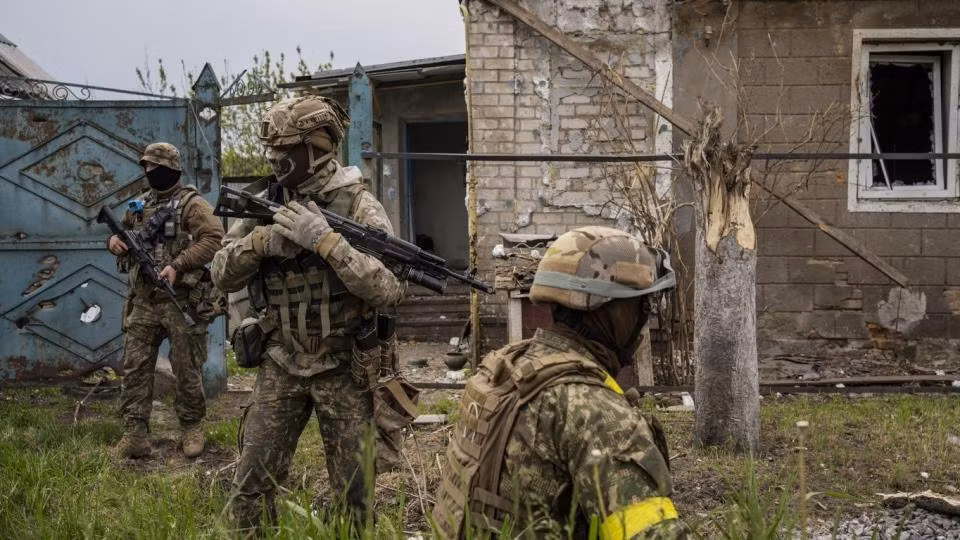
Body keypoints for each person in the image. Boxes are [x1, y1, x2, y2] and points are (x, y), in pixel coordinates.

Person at [210, 95, 405, 533]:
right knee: (250, 486)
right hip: (281, 360)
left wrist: (328, 243)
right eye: (271, 150)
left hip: (344, 366)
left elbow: (390, 291)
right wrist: (261, 243)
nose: (274, 158)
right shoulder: (265, 202)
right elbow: (220, 273)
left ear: (317, 148)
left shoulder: (358, 205)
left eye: (284, 150)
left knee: (355, 496)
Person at [432, 226, 686, 539]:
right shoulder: (595, 412)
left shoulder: (503, 368)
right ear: (615, 310)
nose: (644, 320)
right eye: (641, 306)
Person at [108, 142, 225, 459]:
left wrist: (179, 264)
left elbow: (215, 239)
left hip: (180, 301)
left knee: (186, 368)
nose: (150, 171)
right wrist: (114, 242)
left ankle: (191, 427)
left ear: (172, 169)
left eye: (156, 166)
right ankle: (135, 434)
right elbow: (121, 232)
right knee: (135, 367)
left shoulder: (192, 205)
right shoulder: (139, 204)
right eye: (146, 166)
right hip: (144, 300)